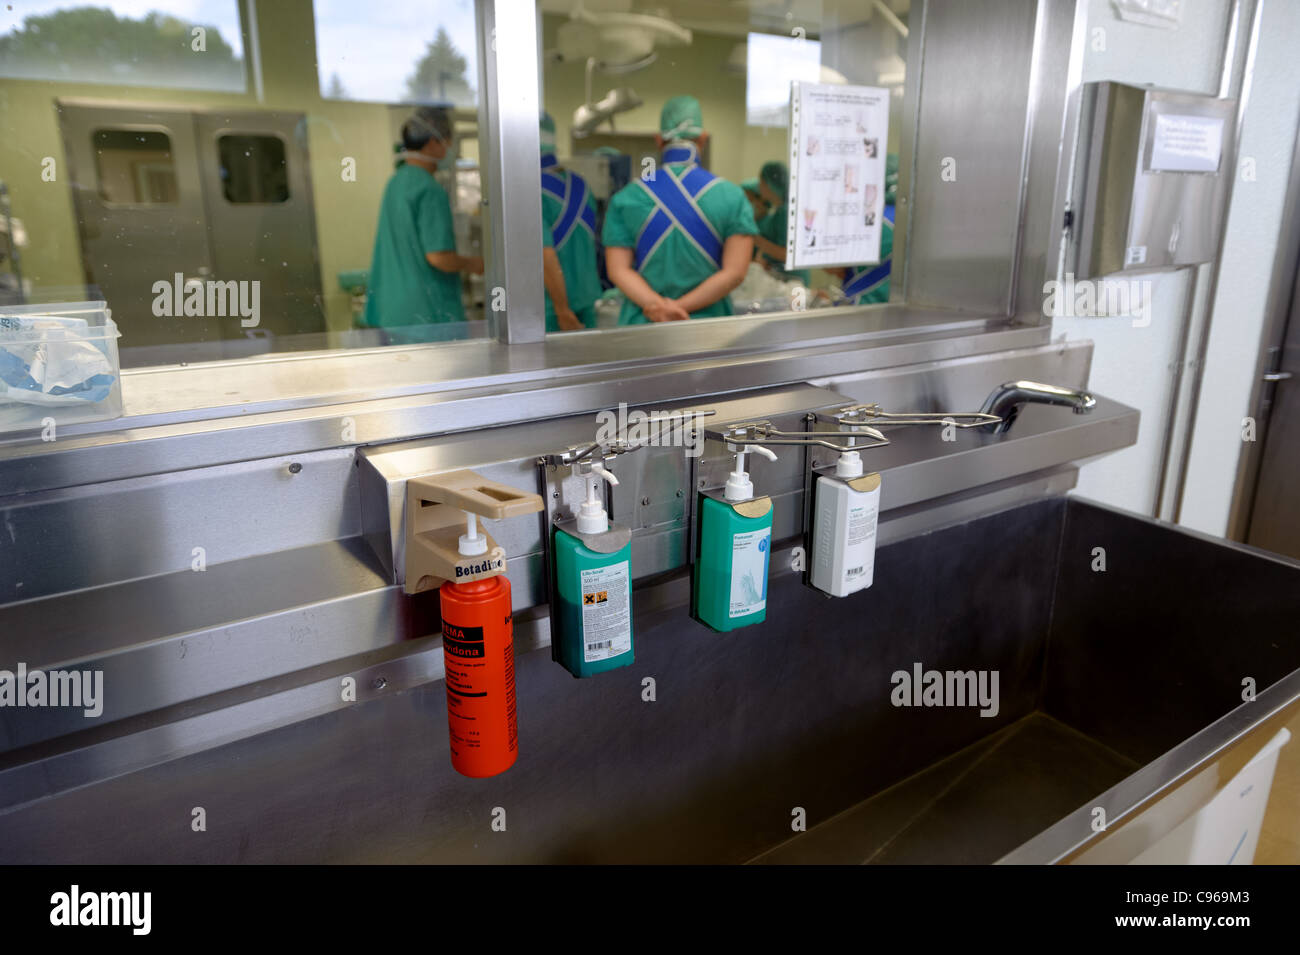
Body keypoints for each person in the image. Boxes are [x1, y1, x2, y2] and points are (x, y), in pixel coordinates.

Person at [602, 95, 757, 324]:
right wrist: (679, 309)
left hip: (645, 324)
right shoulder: (732, 197)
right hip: (707, 328)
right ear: (703, 139)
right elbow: (735, 272)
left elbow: (618, 270)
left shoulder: (627, 198)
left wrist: (659, 308)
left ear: (658, 140)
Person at [363, 106, 483, 337]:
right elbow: (439, 257)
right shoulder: (429, 190)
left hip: (396, 311)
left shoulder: (396, 182)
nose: (450, 149)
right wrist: (475, 264)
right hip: (426, 315)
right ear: (432, 144)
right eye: (448, 141)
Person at [539, 112, 601, 332]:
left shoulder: (529, 189)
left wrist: (562, 309)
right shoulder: (582, 185)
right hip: (586, 302)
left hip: (552, 312)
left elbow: (545, 254)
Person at [840, 152, 899, 305]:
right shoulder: (912, 219)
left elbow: (835, 267)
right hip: (898, 308)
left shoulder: (870, 219)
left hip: (865, 305)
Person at [751, 160, 810, 286]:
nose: (759, 187)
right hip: (787, 279)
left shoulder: (785, 212)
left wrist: (754, 238)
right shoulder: (780, 211)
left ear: (769, 184)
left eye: (761, 182)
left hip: (791, 281)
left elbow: (787, 255)